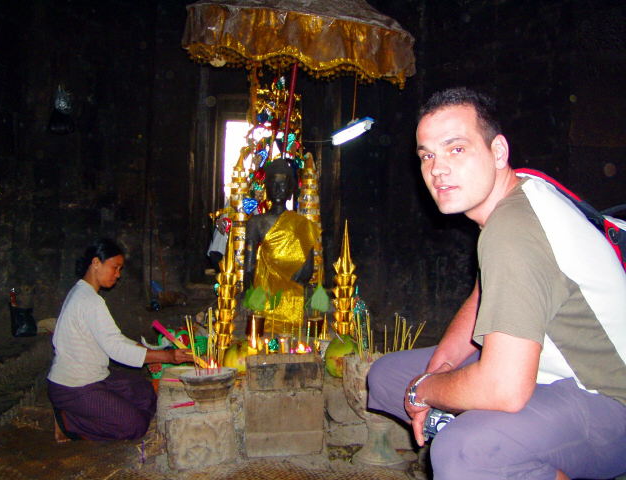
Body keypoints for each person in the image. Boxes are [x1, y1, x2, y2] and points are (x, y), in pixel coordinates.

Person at [367, 87, 626, 480]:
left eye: (456, 149)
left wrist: (425, 390)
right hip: (542, 367)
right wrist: (444, 364)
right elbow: (483, 292)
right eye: (427, 155)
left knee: (467, 451)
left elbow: (505, 387)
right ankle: (515, 451)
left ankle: (514, 461)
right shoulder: (521, 188)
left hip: (608, 401)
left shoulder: (513, 232)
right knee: (387, 377)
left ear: (498, 151)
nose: (437, 169)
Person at [47, 238, 194, 442]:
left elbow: (114, 338)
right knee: (135, 426)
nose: (118, 275)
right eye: (115, 268)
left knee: (144, 392)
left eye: (120, 269)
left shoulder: (86, 294)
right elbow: (116, 348)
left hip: (97, 377)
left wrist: (147, 352)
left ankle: (107, 410)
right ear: (96, 263)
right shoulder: (88, 300)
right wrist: (168, 356)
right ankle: (68, 422)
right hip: (74, 387)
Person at [243, 159, 320, 334]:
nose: (278, 190)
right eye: (273, 185)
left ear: (291, 191)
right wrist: (247, 294)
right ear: (266, 189)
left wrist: (290, 284)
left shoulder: (302, 224)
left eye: (283, 185)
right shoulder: (256, 222)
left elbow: (308, 268)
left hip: (292, 293)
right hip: (263, 292)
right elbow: (249, 267)